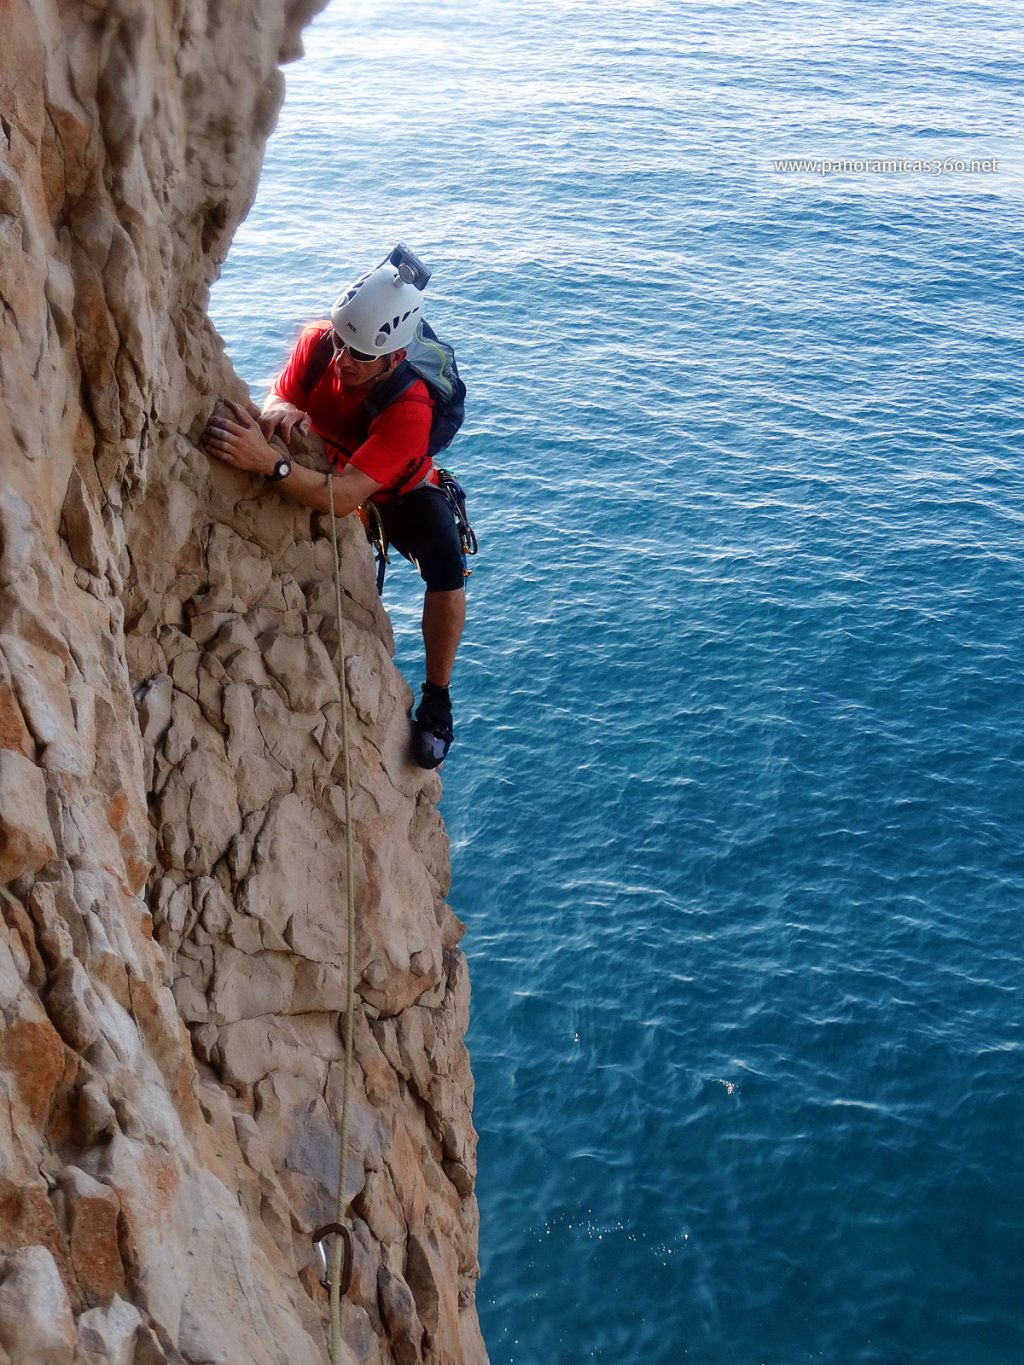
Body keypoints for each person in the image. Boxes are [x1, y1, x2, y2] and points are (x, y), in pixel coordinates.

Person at [202, 247, 465, 769]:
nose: (343, 359)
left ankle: (438, 700)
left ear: (393, 359)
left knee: (447, 567)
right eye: (342, 343)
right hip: (333, 466)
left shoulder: (409, 407)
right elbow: (280, 395)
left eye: (360, 355)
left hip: (398, 491)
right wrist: (284, 412)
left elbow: (346, 499)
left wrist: (270, 465)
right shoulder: (322, 344)